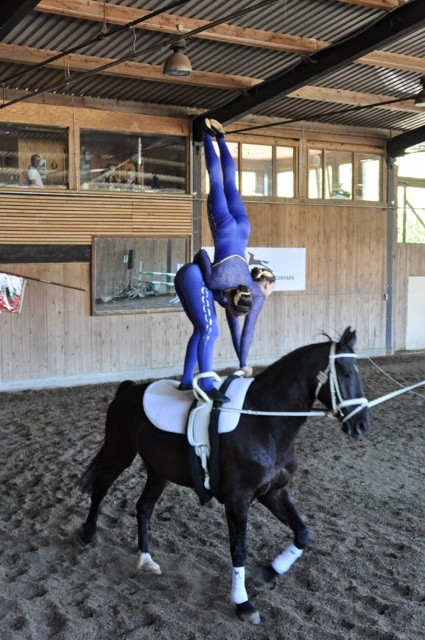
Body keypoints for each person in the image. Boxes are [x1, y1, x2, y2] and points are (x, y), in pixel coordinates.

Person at [193, 118, 276, 378]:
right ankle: (206, 135)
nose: (234, 317)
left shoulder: (255, 295)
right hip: (225, 229)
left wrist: (245, 363)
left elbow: (246, 328)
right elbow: (202, 255)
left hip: (243, 231)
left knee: (230, 184)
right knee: (216, 182)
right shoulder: (217, 283)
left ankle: (221, 139)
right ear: (228, 301)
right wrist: (211, 287)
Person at [174, 262, 252, 404]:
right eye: (235, 314)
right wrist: (243, 362)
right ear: (230, 303)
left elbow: (235, 329)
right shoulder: (231, 290)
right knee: (211, 331)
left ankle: (186, 382)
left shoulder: (237, 295)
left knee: (200, 330)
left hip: (187, 275)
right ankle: (207, 386)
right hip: (194, 276)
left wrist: (242, 361)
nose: (235, 317)